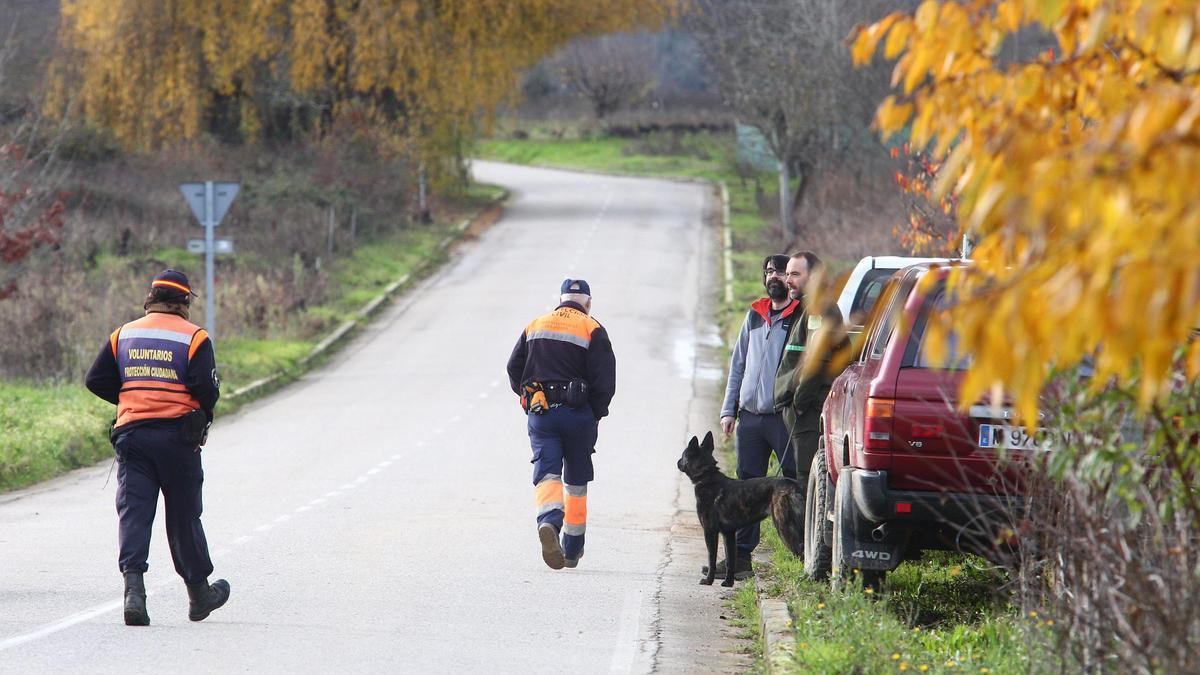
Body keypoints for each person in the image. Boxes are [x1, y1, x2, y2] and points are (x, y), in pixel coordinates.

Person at [85, 269, 230, 626]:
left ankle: (134, 592)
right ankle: (199, 595)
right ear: (183, 302)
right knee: (183, 515)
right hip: (178, 440)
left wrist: (132, 399)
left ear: (151, 298)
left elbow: (96, 379)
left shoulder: (124, 334)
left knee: (134, 512)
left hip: (133, 437)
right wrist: (200, 415)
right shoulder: (194, 337)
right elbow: (206, 390)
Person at [506, 279, 616, 570]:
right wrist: (596, 413)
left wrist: (527, 397)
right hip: (579, 414)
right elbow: (606, 380)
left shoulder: (536, 324)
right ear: (588, 303)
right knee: (577, 481)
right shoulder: (592, 328)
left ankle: (549, 523)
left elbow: (513, 367)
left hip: (541, 413)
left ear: (560, 299)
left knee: (547, 472)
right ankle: (572, 548)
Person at [714, 254, 800, 579]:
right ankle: (739, 559)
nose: (773, 276)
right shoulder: (754, 315)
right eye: (768, 271)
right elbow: (738, 365)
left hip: (782, 418)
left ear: (790, 278)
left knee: (794, 481)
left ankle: (804, 552)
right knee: (745, 489)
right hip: (749, 417)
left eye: (779, 271)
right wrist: (729, 410)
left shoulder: (799, 317)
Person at [773, 251, 835, 503]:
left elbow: (816, 361)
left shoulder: (819, 308)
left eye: (795, 274)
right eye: (787, 274)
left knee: (806, 480)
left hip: (807, 411)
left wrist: (799, 403)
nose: (788, 280)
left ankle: (807, 542)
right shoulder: (807, 306)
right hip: (800, 408)